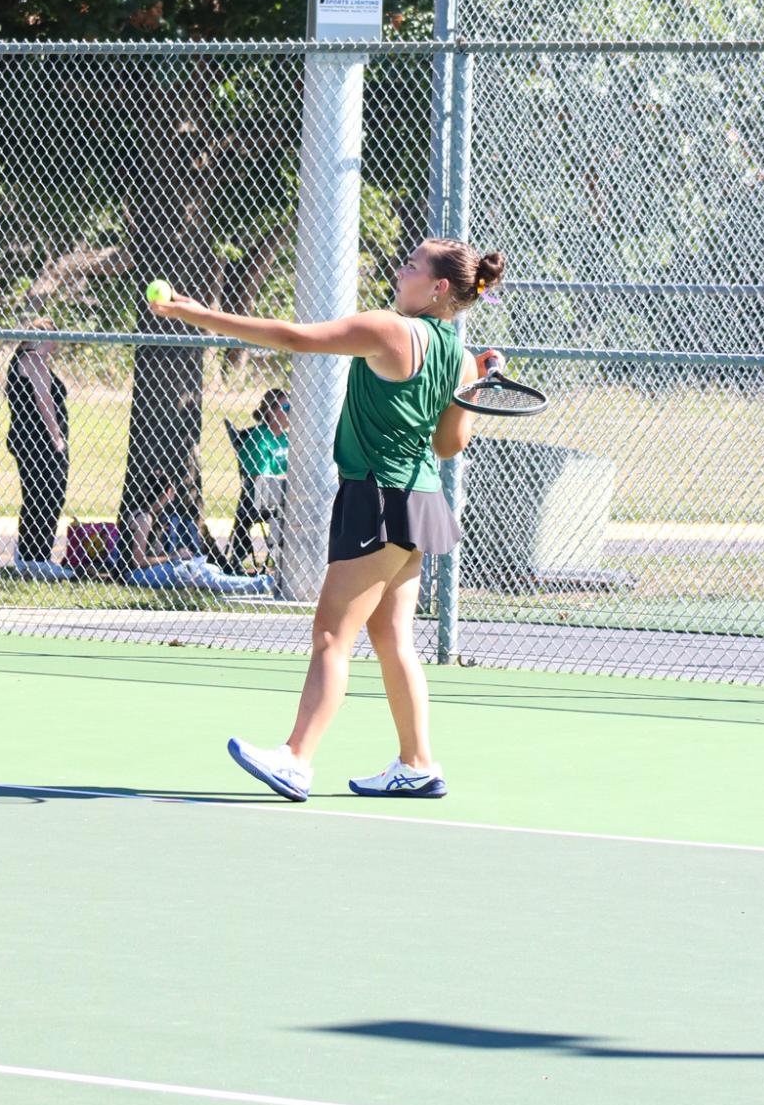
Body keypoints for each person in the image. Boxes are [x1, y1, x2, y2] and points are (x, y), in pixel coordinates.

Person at [152, 238, 507, 801]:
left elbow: (295, 338)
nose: (401, 268)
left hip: (377, 498)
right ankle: (416, 763)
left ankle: (296, 758)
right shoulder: (459, 357)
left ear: (438, 287)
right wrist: (471, 387)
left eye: (412, 265)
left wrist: (194, 314)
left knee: (329, 636)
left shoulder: (390, 329)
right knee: (393, 639)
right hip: (420, 501)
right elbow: (448, 445)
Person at [115, 469, 274, 596]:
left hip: (146, 571)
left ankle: (259, 582)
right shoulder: (144, 518)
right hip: (136, 574)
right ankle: (261, 584)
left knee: (208, 570)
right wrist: (173, 557)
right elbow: (138, 561)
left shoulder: (145, 513)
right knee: (197, 573)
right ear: (169, 491)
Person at [5, 323, 70, 567]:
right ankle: (38, 556)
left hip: (26, 438)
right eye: (55, 337)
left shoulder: (20, 360)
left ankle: (29, 555)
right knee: (48, 493)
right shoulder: (34, 360)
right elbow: (44, 400)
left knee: (34, 494)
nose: (57, 343)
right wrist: (57, 437)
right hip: (39, 440)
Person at [227, 387, 289, 572]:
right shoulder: (258, 438)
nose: (291, 412)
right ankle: (281, 564)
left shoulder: (288, 438)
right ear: (270, 411)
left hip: (288, 493)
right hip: (262, 497)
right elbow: (261, 478)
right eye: (286, 407)